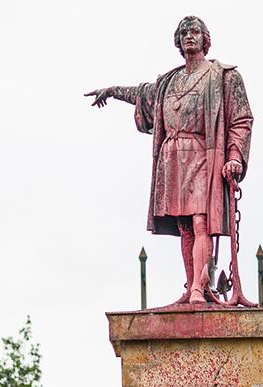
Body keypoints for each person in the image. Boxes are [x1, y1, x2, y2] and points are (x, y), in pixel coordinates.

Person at [85, 16, 254, 305]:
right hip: (173, 156)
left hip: (204, 154)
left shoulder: (223, 76)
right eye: (184, 32)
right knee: (185, 226)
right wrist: (112, 91)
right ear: (178, 40)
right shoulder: (169, 82)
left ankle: (201, 288)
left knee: (201, 222)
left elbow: (241, 119)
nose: (189, 36)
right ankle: (191, 287)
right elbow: (141, 94)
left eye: (195, 31)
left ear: (205, 38)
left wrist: (234, 156)